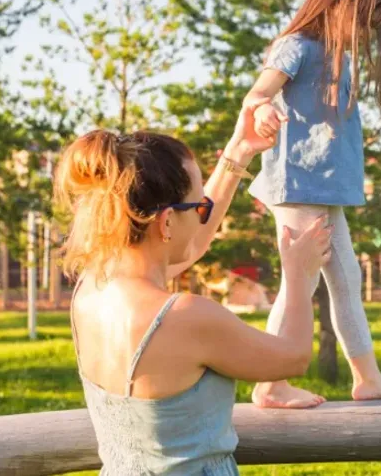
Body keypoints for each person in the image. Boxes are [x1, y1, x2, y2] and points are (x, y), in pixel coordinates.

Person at [57, 100, 333, 475]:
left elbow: (197, 239)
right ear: (167, 221)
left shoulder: (91, 289)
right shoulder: (184, 317)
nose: (204, 213)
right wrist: (298, 275)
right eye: (199, 206)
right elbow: (293, 357)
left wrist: (239, 152)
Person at [244, 0, 381, 409]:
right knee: (300, 284)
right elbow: (258, 92)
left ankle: (367, 377)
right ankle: (270, 383)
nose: (371, 27)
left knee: (346, 279)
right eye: (370, 15)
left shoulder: (338, 55)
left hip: (325, 188)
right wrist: (263, 108)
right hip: (299, 184)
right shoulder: (297, 47)